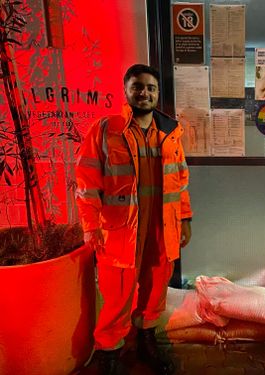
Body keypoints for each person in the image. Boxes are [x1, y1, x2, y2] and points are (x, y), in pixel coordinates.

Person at [75, 64, 193, 375]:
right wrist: (90, 227)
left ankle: (146, 339)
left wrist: (185, 219)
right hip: (120, 230)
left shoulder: (170, 133)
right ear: (126, 90)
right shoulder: (105, 130)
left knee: (155, 288)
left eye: (151, 88)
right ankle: (110, 352)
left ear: (157, 94)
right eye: (138, 87)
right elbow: (87, 185)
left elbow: (180, 181)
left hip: (161, 227)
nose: (144, 93)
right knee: (117, 294)